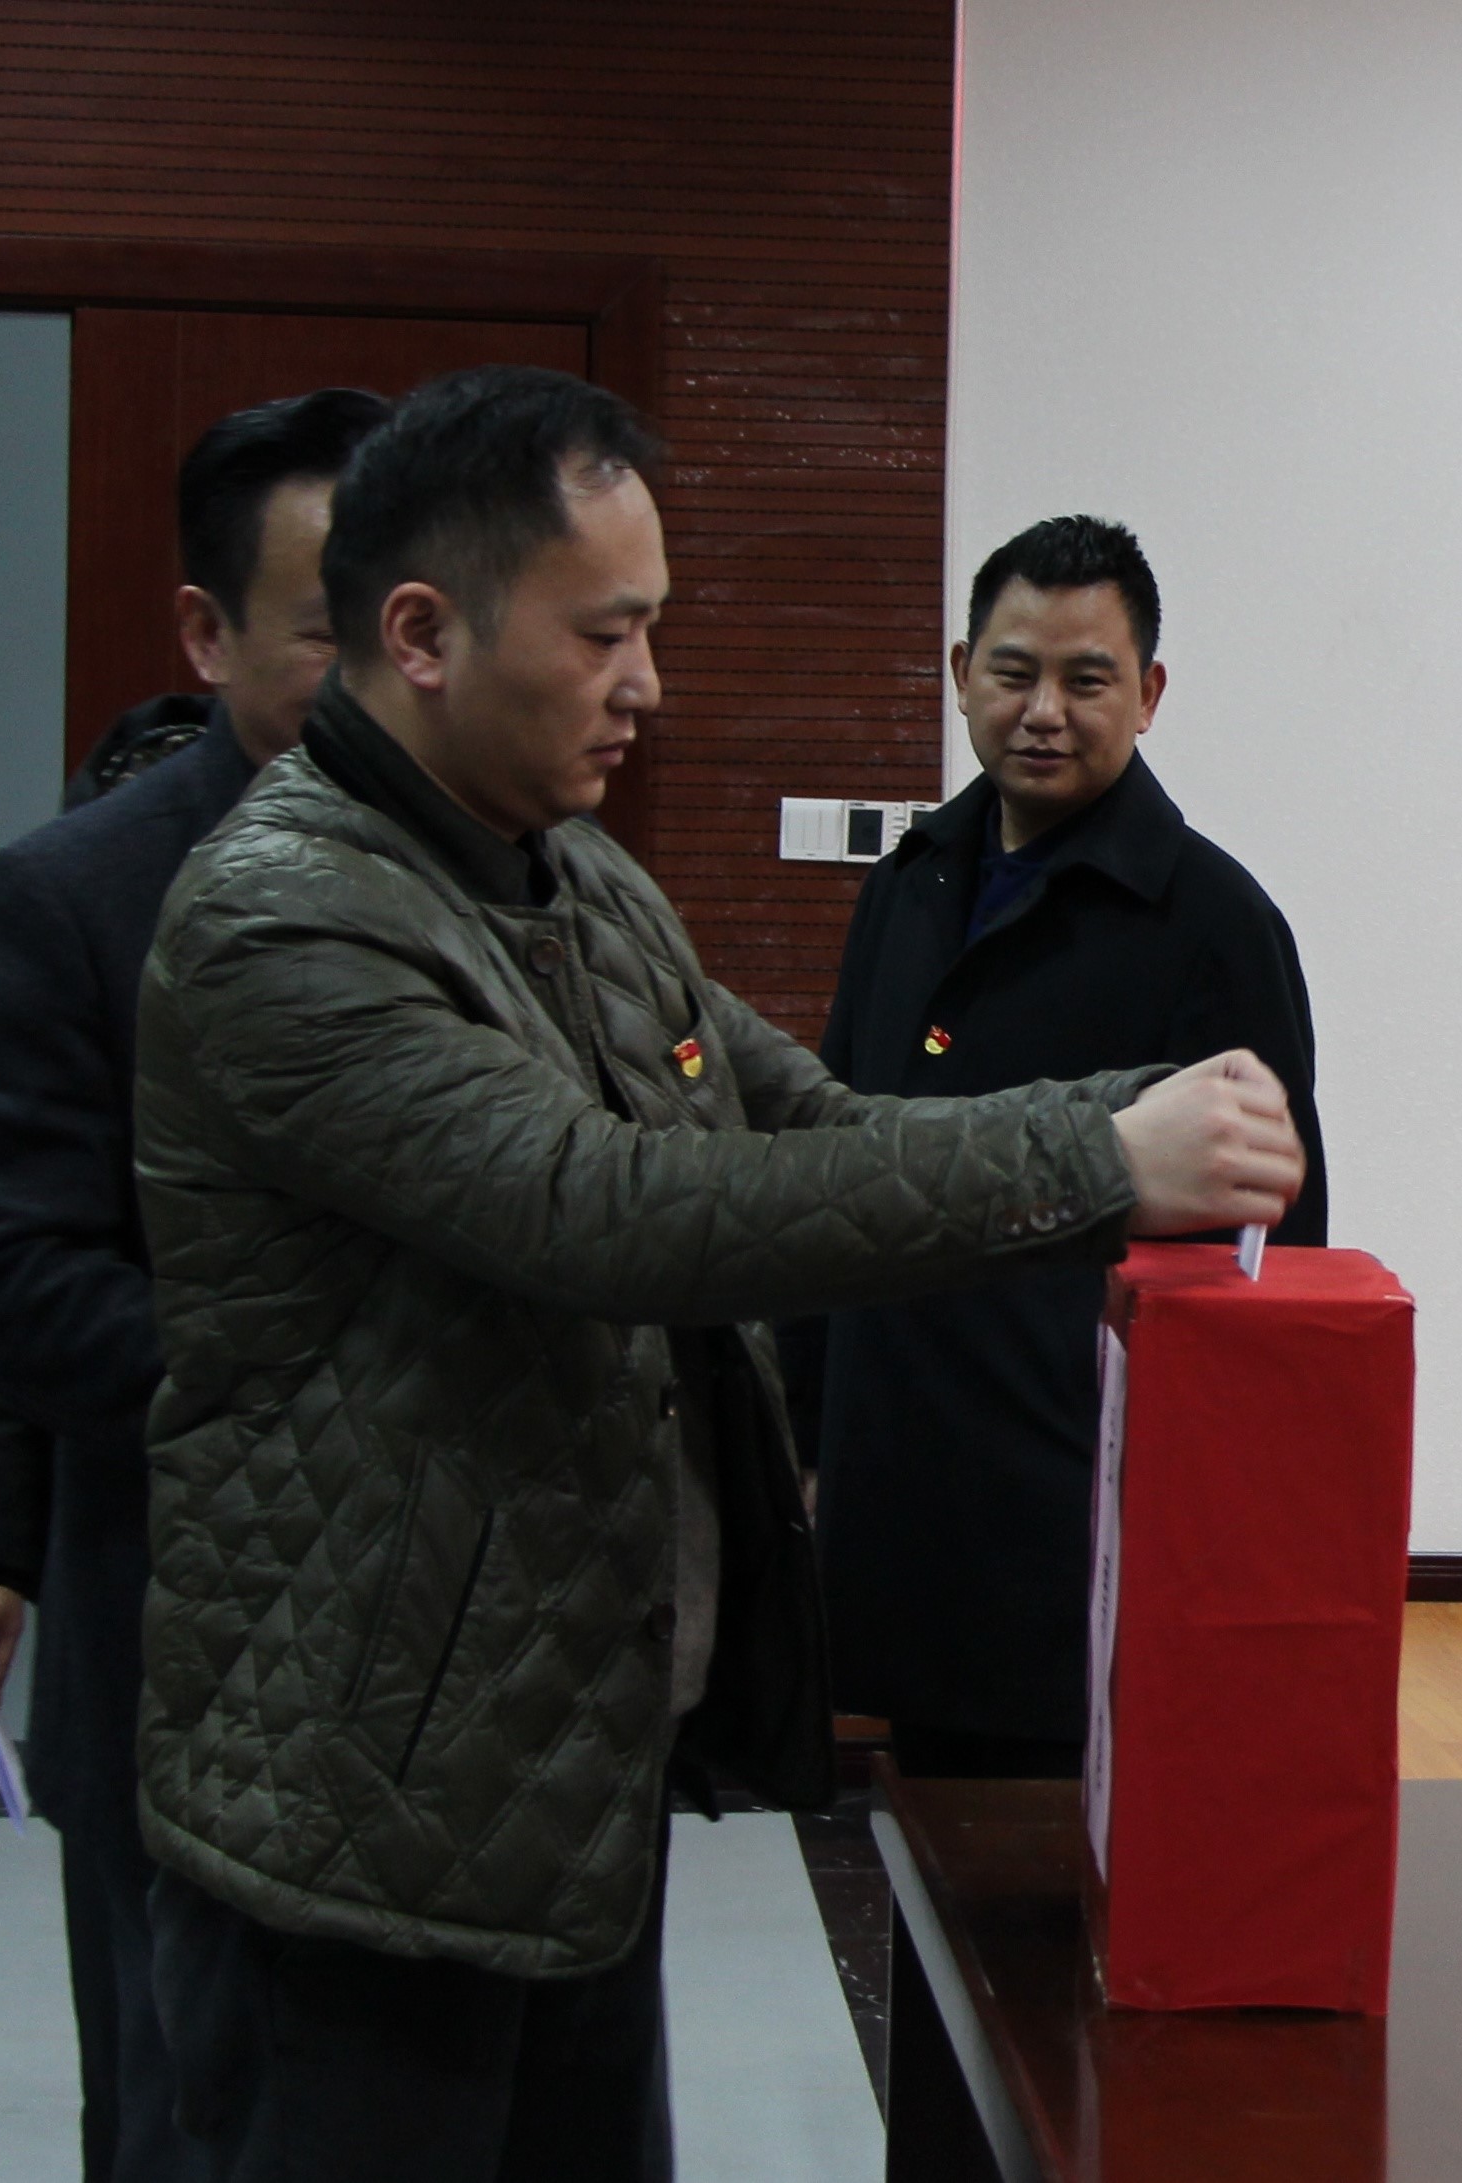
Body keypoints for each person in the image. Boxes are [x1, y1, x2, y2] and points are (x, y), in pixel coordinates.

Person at [129, 367, 1305, 2183]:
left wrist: (1124, 1112)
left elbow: (813, 1118)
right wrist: (1099, 1157)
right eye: (604, 634)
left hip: (557, 1782)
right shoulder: (284, 914)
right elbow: (611, 1211)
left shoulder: (579, 881)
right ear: (424, 634)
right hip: (363, 1820)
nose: (648, 684)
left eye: (652, 629)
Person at [0, 385, 391, 2183]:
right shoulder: (81, 894)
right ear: (207, 633)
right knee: (188, 2099)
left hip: (452, 1678)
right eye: (329, 635)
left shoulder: (528, 881)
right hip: (180, 1626)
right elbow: (0, 1271)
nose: (381, 682)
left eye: (415, 626)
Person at [791, 514, 1327, 1781]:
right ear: (959, 671)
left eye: (1086, 679)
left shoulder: (1214, 920)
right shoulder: (908, 883)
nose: (1043, 711)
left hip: (1069, 1491)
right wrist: (803, 1426)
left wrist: (1220, 1514)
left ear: (1147, 694)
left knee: (1053, 1847)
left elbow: (1274, 1252)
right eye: (1012, 671)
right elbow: (824, 1160)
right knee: (920, 1834)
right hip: (895, 1466)